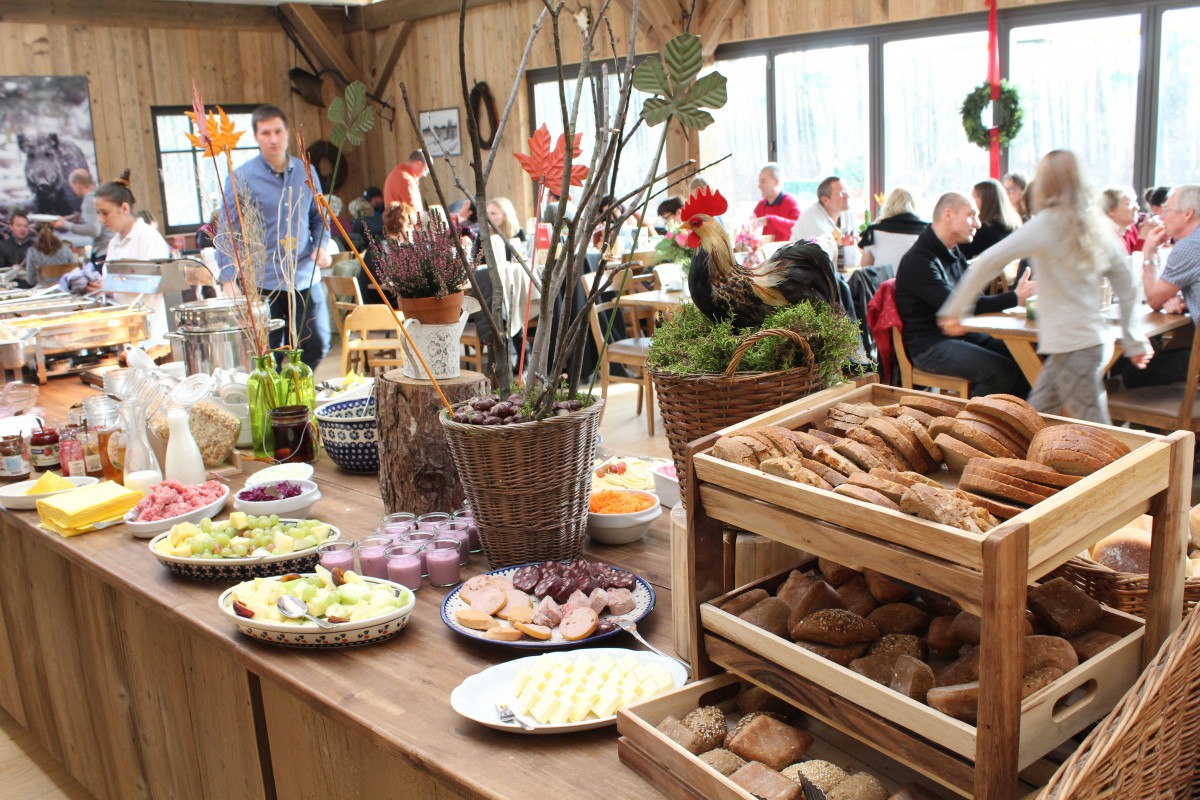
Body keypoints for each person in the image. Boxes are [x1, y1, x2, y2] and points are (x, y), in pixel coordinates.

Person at [941, 151, 1149, 423]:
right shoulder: (1095, 222)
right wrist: (1133, 337)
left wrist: (954, 311)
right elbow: (1128, 284)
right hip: (1088, 342)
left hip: (1073, 346)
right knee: (1036, 418)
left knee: (1094, 431)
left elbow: (988, 262)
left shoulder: (1048, 222)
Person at [217, 104, 332, 370]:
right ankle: (280, 392)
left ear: (287, 132)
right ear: (256, 137)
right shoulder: (240, 177)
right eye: (266, 133)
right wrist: (228, 278)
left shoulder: (307, 171)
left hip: (303, 275)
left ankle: (297, 386)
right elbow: (227, 231)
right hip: (263, 280)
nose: (273, 139)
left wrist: (322, 246)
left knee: (317, 343)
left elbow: (320, 218)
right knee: (269, 353)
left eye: (278, 131)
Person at [894, 191, 1033, 397]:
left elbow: (972, 298)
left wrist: (1013, 298)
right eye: (971, 215)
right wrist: (1014, 298)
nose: (978, 223)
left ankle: (1013, 415)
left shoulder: (952, 252)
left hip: (964, 335)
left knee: (1025, 358)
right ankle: (971, 418)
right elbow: (958, 305)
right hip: (930, 346)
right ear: (948, 215)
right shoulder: (919, 261)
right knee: (1001, 372)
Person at [1124, 185, 1200, 389]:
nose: (1161, 217)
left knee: (1133, 372)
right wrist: (1185, 301)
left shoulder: (1188, 247)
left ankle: (1183, 408)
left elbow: (1154, 300)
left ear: (1187, 214)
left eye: (1167, 210)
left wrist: (1148, 251)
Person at [95, 170, 172, 342]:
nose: (100, 219)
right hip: (126, 328)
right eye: (97, 213)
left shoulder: (147, 237)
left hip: (151, 330)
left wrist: (111, 284)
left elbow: (156, 281)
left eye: (105, 213)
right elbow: (108, 279)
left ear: (124, 208)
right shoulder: (114, 241)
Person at [793, 175, 853, 266]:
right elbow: (824, 252)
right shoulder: (812, 215)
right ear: (825, 200)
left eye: (846, 191)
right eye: (842, 193)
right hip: (801, 268)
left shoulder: (846, 213)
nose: (847, 196)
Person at [859, 188, 926, 268]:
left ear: (887, 205)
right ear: (914, 205)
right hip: (917, 275)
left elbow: (866, 265)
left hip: (885, 275)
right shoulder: (927, 232)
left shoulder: (873, 232)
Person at [53, 169, 112, 258]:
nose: (72, 190)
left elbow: (94, 230)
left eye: (72, 187)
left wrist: (64, 224)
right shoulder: (100, 195)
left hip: (104, 251)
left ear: (78, 186)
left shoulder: (89, 201)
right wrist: (72, 218)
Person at [959, 178, 1023, 260]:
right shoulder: (1013, 225)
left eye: (974, 196)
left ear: (987, 200)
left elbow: (960, 255)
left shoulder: (983, 231)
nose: (970, 201)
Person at [753, 163, 800, 242]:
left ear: (776, 182)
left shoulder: (791, 202)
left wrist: (769, 220)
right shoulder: (761, 205)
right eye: (759, 182)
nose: (759, 186)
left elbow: (798, 229)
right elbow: (750, 226)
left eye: (763, 181)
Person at [1099, 185, 1141, 256]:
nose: (1137, 208)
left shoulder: (1130, 228)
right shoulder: (1103, 236)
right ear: (1111, 210)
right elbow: (1128, 262)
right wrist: (1143, 240)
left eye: (1135, 203)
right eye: (1129, 204)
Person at [383, 151, 427, 216]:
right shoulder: (406, 179)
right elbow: (414, 211)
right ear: (418, 164)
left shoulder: (396, 173)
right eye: (425, 170)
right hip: (403, 221)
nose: (424, 174)